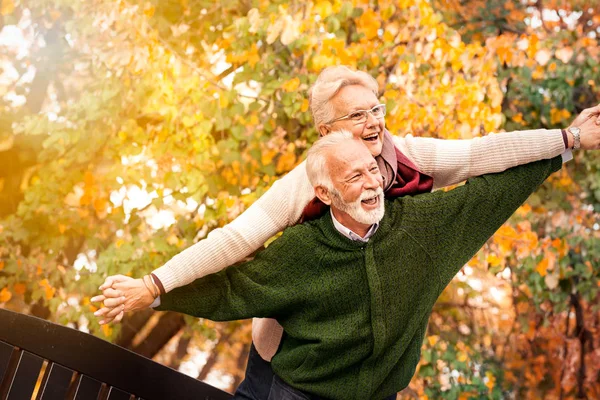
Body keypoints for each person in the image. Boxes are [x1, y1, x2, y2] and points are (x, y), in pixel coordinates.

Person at [92, 66, 600, 396]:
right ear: (327, 132)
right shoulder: (305, 183)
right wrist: (154, 286)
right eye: (357, 115)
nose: (374, 121)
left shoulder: (407, 157)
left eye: (376, 107)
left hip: (369, 367)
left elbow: (483, 153)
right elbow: (235, 241)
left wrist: (570, 137)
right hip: (289, 354)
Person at [129, 131, 568, 399]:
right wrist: (154, 293)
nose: (372, 183)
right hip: (298, 393)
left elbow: (491, 193)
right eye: (353, 177)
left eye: (372, 170)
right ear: (325, 194)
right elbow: (231, 288)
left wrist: (567, 144)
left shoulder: (421, 226)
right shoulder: (300, 249)